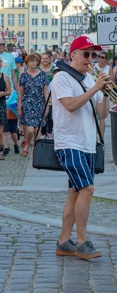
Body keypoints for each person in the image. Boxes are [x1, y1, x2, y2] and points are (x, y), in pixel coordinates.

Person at [52, 35, 107, 260]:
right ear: (73, 55)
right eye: (86, 54)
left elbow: (102, 114)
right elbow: (71, 106)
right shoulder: (62, 78)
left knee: (75, 193)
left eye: (93, 55)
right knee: (87, 189)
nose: (90, 59)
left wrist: (107, 92)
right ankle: (82, 242)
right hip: (69, 142)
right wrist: (95, 89)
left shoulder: (88, 80)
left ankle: (64, 241)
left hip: (87, 143)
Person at [17, 54, 49, 157]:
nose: (33, 63)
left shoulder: (42, 74)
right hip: (27, 104)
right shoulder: (24, 75)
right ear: (27, 63)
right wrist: (19, 106)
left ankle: (37, 148)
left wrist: (47, 105)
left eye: (35, 61)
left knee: (38, 129)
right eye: (31, 61)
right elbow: (20, 93)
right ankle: (27, 143)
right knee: (30, 129)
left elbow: (46, 91)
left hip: (40, 104)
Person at [94, 50, 111, 137]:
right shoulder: (93, 67)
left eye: (102, 57)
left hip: (104, 93)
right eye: (99, 57)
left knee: (102, 117)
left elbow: (111, 82)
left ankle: (101, 139)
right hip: (95, 92)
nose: (99, 59)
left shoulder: (109, 68)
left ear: (106, 59)